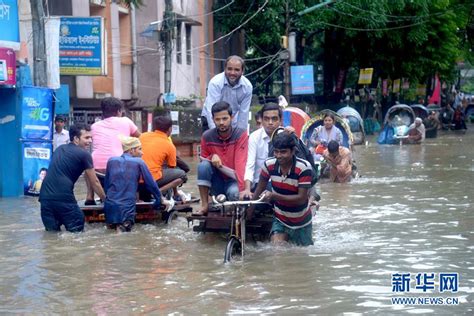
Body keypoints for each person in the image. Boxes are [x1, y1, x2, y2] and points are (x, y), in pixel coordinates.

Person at [39, 124, 106, 232]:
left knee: (52, 236)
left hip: (44, 198)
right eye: (86, 138)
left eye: (91, 138)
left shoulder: (59, 149)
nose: (90, 141)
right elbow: (95, 182)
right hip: (63, 198)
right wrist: (106, 200)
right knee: (77, 231)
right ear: (75, 138)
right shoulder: (84, 154)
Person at [251, 131, 314, 246]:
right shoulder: (268, 165)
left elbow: (301, 198)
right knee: (277, 253)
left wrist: (274, 196)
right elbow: (259, 188)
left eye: (283, 152)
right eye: (276, 151)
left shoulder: (304, 167)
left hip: (302, 221)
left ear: (293, 151)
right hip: (280, 219)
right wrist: (250, 209)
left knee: (303, 256)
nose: (279, 156)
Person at [104, 136, 171, 232]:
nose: (142, 152)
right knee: (123, 235)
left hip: (110, 205)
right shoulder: (139, 162)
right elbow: (150, 184)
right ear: (131, 150)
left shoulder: (111, 161)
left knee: (111, 233)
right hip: (126, 207)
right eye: (139, 149)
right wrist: (159, 199)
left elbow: (107, 185)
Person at [195, 101, 248, 215]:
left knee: (234, 194)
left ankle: (231, 205)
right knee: (202, 166)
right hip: (217, 181)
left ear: (231, 118)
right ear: (213, 119)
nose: (221, 123)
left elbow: (240, 164)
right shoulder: (207, 136)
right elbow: (203, 163)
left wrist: (242, 190)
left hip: (234, 180)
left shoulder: (240, 134)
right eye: (217, 119)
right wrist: (211, 156)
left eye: (225, 119)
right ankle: (204, 205)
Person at [86, 97, 140, 205]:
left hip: (97, 170)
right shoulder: (126, 121)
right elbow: (139, 137)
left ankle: (90, 196)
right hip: (118, 167)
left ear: (103, 112)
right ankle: (136, 195)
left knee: (87, 168)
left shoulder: (94, 126)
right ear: (119, 111)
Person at [140, 116, 187, 201]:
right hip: (151, 179)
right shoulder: (169, 145)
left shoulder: (142, 136)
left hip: (136, 178)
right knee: (182, 175)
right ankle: (157, 192)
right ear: (170, 129)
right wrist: (175, 193)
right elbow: (172, 167)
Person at [201, 55, 253, 132]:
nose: (232, 73)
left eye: (236, 70)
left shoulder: (247, 87)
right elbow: (211, 109)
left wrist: (241, 135)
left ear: (242, 71)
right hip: (211, 118)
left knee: (234, 142)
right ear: (225, 69)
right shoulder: (215, 83)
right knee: (213, 142)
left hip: (231, 120)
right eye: (229, 69)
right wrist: (215, 132)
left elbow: (243, 113)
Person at [241, 103, 282, 199]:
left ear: (280, 120)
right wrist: (247, 189)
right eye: (266, 119)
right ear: (262, 120)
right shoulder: (254, 137)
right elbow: (250, 165)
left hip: (281, 183)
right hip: (259, 184)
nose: (270, 122)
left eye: (274, 119)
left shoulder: (285, 135)